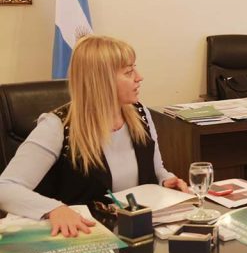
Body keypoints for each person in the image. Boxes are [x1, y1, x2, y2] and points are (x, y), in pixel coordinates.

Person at [0, 35, 187, 237]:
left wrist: (166, 180)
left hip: (136, 232)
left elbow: (157, 170)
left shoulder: (140, 114)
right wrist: (54, 209)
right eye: (128, 72)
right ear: (101, 81)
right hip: (83, 236)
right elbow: (5, 187)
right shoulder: (57, 126)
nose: (139, 77)